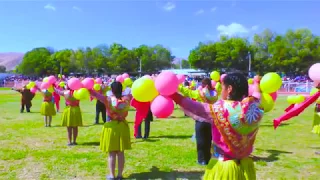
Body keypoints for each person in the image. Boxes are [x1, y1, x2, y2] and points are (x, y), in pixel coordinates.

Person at [171, 72, 264, 179]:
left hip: (224, 168)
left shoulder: (220, 108)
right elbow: (257, 94)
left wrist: (172, 94)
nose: (221, 91)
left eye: (223, 87)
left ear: (229, 89)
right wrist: (257, 83)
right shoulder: (255, 107)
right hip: (245, 167)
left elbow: (195, 107)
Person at [90, 82, 132, 180]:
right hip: (122, 126)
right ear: (121, 89)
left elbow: (95, 94)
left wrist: (88, 89)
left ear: (112, 90)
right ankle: (120, 175)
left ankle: (112, 176)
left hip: (111, 127)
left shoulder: (107, 99)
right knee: (121, 152)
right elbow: (133, 93)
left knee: (112, 153)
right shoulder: (127, 99)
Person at [178, 78, 218, 165]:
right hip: (211, 120)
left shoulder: (199, 93)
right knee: (208, 140)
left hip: (200, 119)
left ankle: (201, 159)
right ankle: (208, 158)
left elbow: (188, 92)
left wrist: (179, 86)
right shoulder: (214, 94)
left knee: (200, 140)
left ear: (203, 85)